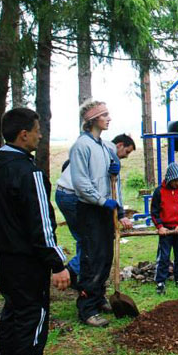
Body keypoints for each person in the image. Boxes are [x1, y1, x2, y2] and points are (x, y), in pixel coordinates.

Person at [0, 108, 70, 355]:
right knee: (32, 323)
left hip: (5, 258)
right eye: (37, 130)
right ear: (24, 135)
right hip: (27, 262)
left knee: (13, 320)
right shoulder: (28, 172)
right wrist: (57, 263)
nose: (40, 135)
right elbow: (42, 225)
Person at [56, 134, 135, 285]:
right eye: (127, 152)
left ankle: (80, 274)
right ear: (119, 145)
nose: (126, 156)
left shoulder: (97, 147)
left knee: (84, 238)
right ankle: (72, 272)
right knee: (93, 241)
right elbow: (115, 189)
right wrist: (120, 214)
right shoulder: (109, 153)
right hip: (74, 196)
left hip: (63, 193)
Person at [69, 100, 120, 328]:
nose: (109, 118)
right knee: (91, 258)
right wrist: (101, 200)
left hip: (105, 210)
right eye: (105, 115)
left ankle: (99, 299)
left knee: (105, 256)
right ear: (92, 120)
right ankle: (87, 309)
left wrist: (115, 169)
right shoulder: (82, 146)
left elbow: (111, 178)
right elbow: (80, 183)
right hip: (90, 209)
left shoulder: (105, 146)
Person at [151, 162, 178, 295]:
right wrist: (160, 227)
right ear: (169, 179)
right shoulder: (159, 192)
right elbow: (155, 212)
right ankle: (160, 281)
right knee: (164, 256)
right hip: (166, 230)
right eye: (175, 181)